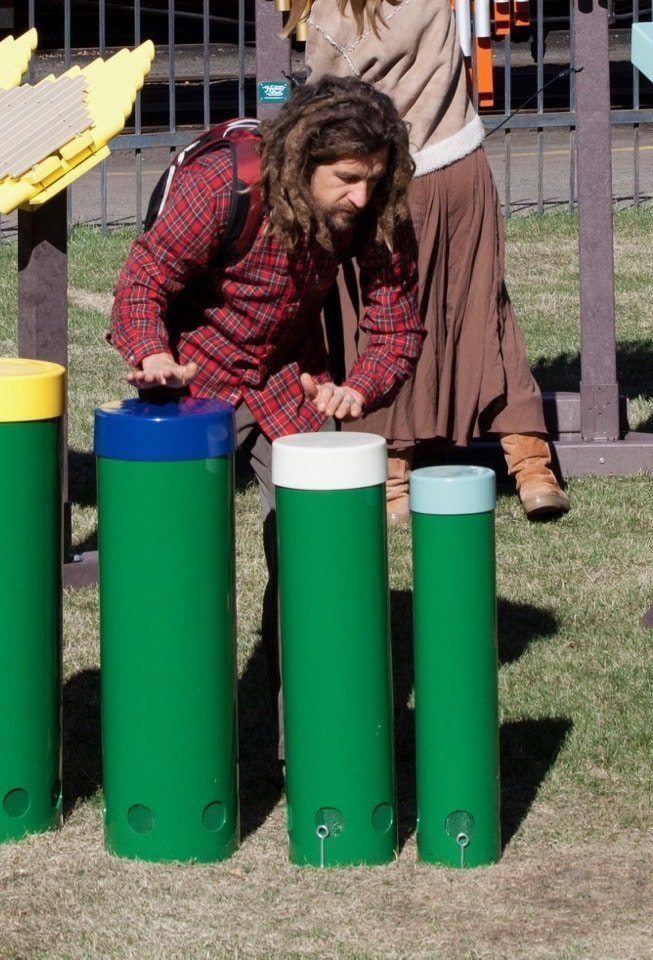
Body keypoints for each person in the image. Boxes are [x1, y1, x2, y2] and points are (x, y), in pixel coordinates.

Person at [108, 74, 424, 730]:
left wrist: (358, 387)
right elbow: (145, 281)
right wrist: (152, 354)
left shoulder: (376, 206)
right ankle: (174, 738)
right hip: (187, 384)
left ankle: (307, 740)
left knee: (320, 555)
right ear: (302, 159)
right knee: (176, 570)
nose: (360, 196)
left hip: (285, 380)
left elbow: (397, 328)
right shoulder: (225, 183)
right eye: (344, 177)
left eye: (372, 178)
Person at [291, 0, 570, 522]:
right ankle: (533, 469)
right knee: (484, 311)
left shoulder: (333, 13)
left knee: (375, 317)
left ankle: (392, 481)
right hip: (462, 168)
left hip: (384, 180)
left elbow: (326, 110)